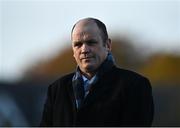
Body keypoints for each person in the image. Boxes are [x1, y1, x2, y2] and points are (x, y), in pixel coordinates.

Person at [40, 17, 154, 126]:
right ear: (73, 51)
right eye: (78, 44)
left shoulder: (135, 85)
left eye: (91, 42)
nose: (84, 49)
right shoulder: (57, 90)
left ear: (108, 45)